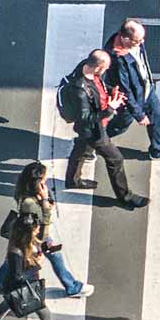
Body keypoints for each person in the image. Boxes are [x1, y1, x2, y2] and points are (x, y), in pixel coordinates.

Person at [61, 49, 149, 209]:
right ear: (96, 68)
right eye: (105, 68)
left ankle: (72, 180)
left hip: (87, 129)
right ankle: (125, 196)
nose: (106, 71)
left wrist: (110, 91)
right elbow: (86, 119)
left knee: (81, 149)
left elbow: (98, 87)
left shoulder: (86, 68)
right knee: (115, 159)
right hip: (94, 130)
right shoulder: (79, 91)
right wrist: (110, 108)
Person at [2, 161, 92, 299]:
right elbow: (43, 227)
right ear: (37, 182)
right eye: (44, 179)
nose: (47, 180)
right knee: (51, 255)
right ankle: (72, 287)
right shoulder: (30, 204)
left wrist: (45, 199)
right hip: (32, 235)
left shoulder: (24, 189)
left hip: (23, 232)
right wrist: (45, 202)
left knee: (14, 258)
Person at [104, 18, 160, 161]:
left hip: (146, 89)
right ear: (125, 38)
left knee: (156, 116)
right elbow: (125, 90)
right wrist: (139, 115)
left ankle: (158, 149)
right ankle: (95, 139)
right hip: (131, 99)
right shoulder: (117, 60)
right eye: (137, 41)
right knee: (120, 126)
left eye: (142, 39)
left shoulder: (132, 43)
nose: (142, 43)